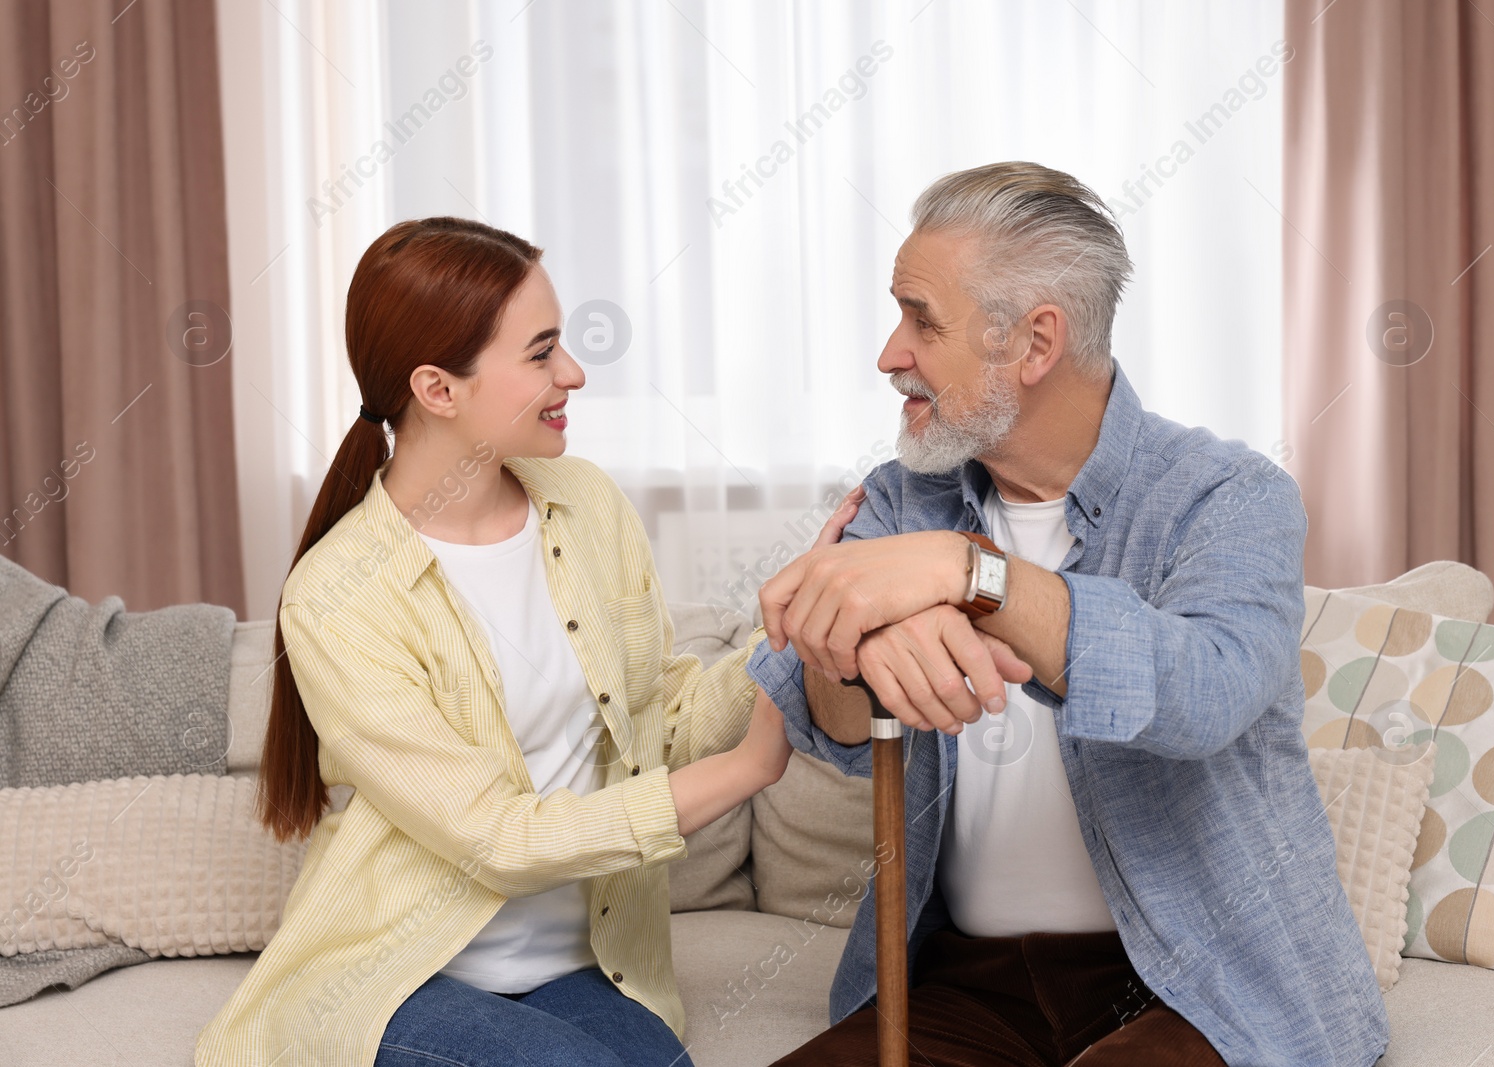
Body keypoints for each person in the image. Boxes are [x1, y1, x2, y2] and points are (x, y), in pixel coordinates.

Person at [745, 162, 1388, 1066]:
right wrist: (839, 633)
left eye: (921, 319)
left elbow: (1202, 692)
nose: (891, 353)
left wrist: (968, 573)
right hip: (966, 981)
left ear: (1035, 343)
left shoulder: (1229, 496)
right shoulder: (904, 499)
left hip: (1196, 983)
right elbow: (845, 728)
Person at [195, 216, 860, 1067]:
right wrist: (744, 771)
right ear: (438, 389)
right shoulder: (337, 595)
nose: (573, 374)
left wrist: (794, 622)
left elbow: (667, 717)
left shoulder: (585, 503)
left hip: (581, 969)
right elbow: (499, 839)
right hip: (400, 977)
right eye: (541, 352)